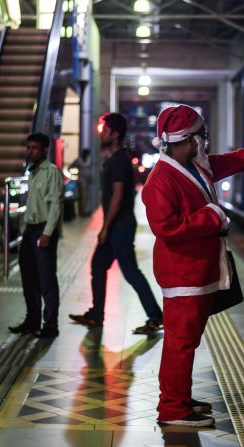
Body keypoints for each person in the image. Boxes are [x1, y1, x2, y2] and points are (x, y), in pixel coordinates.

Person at [141, 104, 244, 426]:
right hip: (184, 273)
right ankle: (172, 409)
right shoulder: (161, 180)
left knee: (186, 341)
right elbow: (166, 227)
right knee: (180, 343)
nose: (205, 141)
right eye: (202, 135)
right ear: (189, 138)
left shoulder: (197, 166)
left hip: (198, 270)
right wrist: (212, 216)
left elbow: (234, 160)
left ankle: (180, 397)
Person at [69, 112, 164, 334]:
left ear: (116, 134)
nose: (102, 134)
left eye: (105, 130)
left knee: (130, 271)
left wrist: (105, 227)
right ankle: (96, 314)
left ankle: (155, 316)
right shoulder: (114, 159)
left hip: (120, 227)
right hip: (117, 226)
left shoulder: (120, 161)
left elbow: (118, 196)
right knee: (98, 266)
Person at [9, 133, 63, 338]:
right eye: (28, 147)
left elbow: (55, 206)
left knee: (47, 280)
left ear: (45, 150)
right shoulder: (31, 172)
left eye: (35, 148)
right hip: (30, 231)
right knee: (28, 278)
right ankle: (32, 321)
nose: (30, 151)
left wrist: (48, 233)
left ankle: (50, 325)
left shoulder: (52, 173)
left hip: (43, 230)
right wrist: (24, 232)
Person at [69, 148, 92, 216]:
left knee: (86, 196)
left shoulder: (88, 160)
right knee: (83, 196)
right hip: (81, 181)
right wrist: (74, 175)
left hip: (87, 180)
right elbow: (71, 166)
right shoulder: (79, 160)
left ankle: (84, 210)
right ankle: (82, 212)